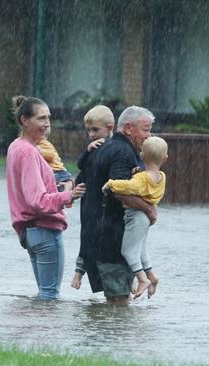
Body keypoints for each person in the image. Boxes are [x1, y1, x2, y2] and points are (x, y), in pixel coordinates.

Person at [6, 95, 86, 300]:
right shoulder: (28, 152)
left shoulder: (16, 146)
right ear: (25, 120)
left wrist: (63, 190)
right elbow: (37, 200)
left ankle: (32, 331)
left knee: (43, 295)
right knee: (50, 297)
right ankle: (44, 332)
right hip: (45, 232)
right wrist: (69, 194)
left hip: (29, 233)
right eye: (41, 118)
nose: (47, 124)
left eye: (48, 118)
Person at [76, 105, 157, 305]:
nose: (150, 135)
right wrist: (148, 209)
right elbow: (118, 190)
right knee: (119, 306)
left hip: (94, 238)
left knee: (111, 312)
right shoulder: (122, 152)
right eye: (145, 130)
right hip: (110, 242)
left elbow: (81, 181)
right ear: (128, 128)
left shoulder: (102, 147)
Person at [101, 136, 167, 299]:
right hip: (145, 218)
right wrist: (138, 174)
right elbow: (143, 188)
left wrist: (111, 184)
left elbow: (129, 187)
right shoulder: (161, 177)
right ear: (165, 159)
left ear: (142, 156)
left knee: (128, 251)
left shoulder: (142, 179)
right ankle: (152, 276)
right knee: (141, 250)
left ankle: (142, 279)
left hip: (136, 216)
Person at [70, 105, 116, 291]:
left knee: (99, 242)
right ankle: (79, 273)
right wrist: (88, 151)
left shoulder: (115, 150)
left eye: (95, 130)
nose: (91, 134)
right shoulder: (93, 149)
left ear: (110, 128)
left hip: (101, 207)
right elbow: (81, 166)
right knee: (86, 239)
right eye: (88, 130)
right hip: (89, 206)